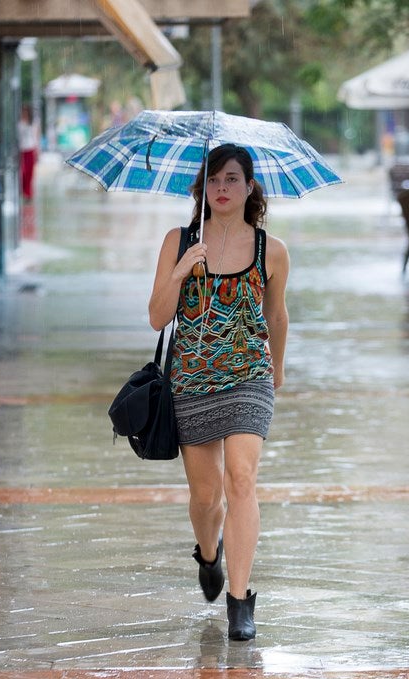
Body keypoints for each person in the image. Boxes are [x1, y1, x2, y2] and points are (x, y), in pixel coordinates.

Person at [147, 144, 290, 642]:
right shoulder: (180, 240)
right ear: (202, 188)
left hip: (249, 374)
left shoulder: (270, 249)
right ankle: (209, 553)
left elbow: (276, 314)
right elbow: (157, 316)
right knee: (206, 497)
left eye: (232, 179)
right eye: (213, 180)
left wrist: (278, 369)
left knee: (241, 480)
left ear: (250, 187)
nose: (222, 188)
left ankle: (240, 600)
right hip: (192, 379)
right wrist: (183, 268)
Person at [18, 105, 39, 201]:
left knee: (30, 172)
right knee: (23, 171)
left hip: (30, 149)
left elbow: (36, 137)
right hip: (22, 150)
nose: (24, 114)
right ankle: (23, 191)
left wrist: (37, 151)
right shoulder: (19, 123)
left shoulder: (32, 123)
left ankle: (28, 193)